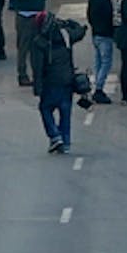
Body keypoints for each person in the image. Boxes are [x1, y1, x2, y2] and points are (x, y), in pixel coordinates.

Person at [31, 11, 86, 154]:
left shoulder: (38, 41)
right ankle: (65, 142)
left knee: (45, 108)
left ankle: (55, 136)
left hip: (50, 81)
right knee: (65, 111)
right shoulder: (66, 35)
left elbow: (37, 67)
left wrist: (37, 87)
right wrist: (70, 22)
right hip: (67, 79)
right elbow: (80, 31)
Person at [9, 0, 61, 87]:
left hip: (38, 17)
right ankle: (22, 74)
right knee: (24, 47)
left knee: (37, 47)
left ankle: (38, 74)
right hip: (25, 17)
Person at [87, 0, 118, 104]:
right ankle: (99, 88)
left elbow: (89, 15)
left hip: (95, 34)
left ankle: (96, 85)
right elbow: (109, 17)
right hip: (105, 35)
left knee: (98, 61)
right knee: (106, 62)